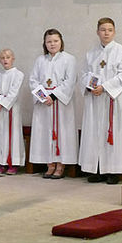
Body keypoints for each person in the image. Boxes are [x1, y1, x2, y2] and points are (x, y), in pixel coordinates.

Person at [78, 18, 122, 184]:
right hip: (95, 100)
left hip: (111, 99)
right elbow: (84, 74)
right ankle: (97, 169)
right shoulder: (90, 53)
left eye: (109, 30)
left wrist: (104, 87)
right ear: (97, 32)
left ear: (114, 32)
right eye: (103, 29)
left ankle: (113, 172)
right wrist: (90, 86)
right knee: (94, 133)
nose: (106, 33)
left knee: (112, 132)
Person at [29, 28, 78, 179]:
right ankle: (49, 164)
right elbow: (33, 80)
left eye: (55, 41)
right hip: (44, 104)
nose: (52, 44)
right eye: (49, 41)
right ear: (44, 43)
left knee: (62, 132)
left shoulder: (69, 59)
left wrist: (54, 96)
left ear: (61, 42)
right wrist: (43, 97)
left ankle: (61, 164)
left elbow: (69, 82)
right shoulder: (40, 60)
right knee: (44, 132)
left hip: (61, 104)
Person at [0, 48, 24, 175]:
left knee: (12, 134)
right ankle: (1, 163)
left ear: (13, 59)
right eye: (2, 58)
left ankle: (13, 163)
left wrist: (3, 104)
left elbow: (14, 93)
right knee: (0, 135)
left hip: (11, 110)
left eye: (8, 57)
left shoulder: (18, 74)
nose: (5, 60)